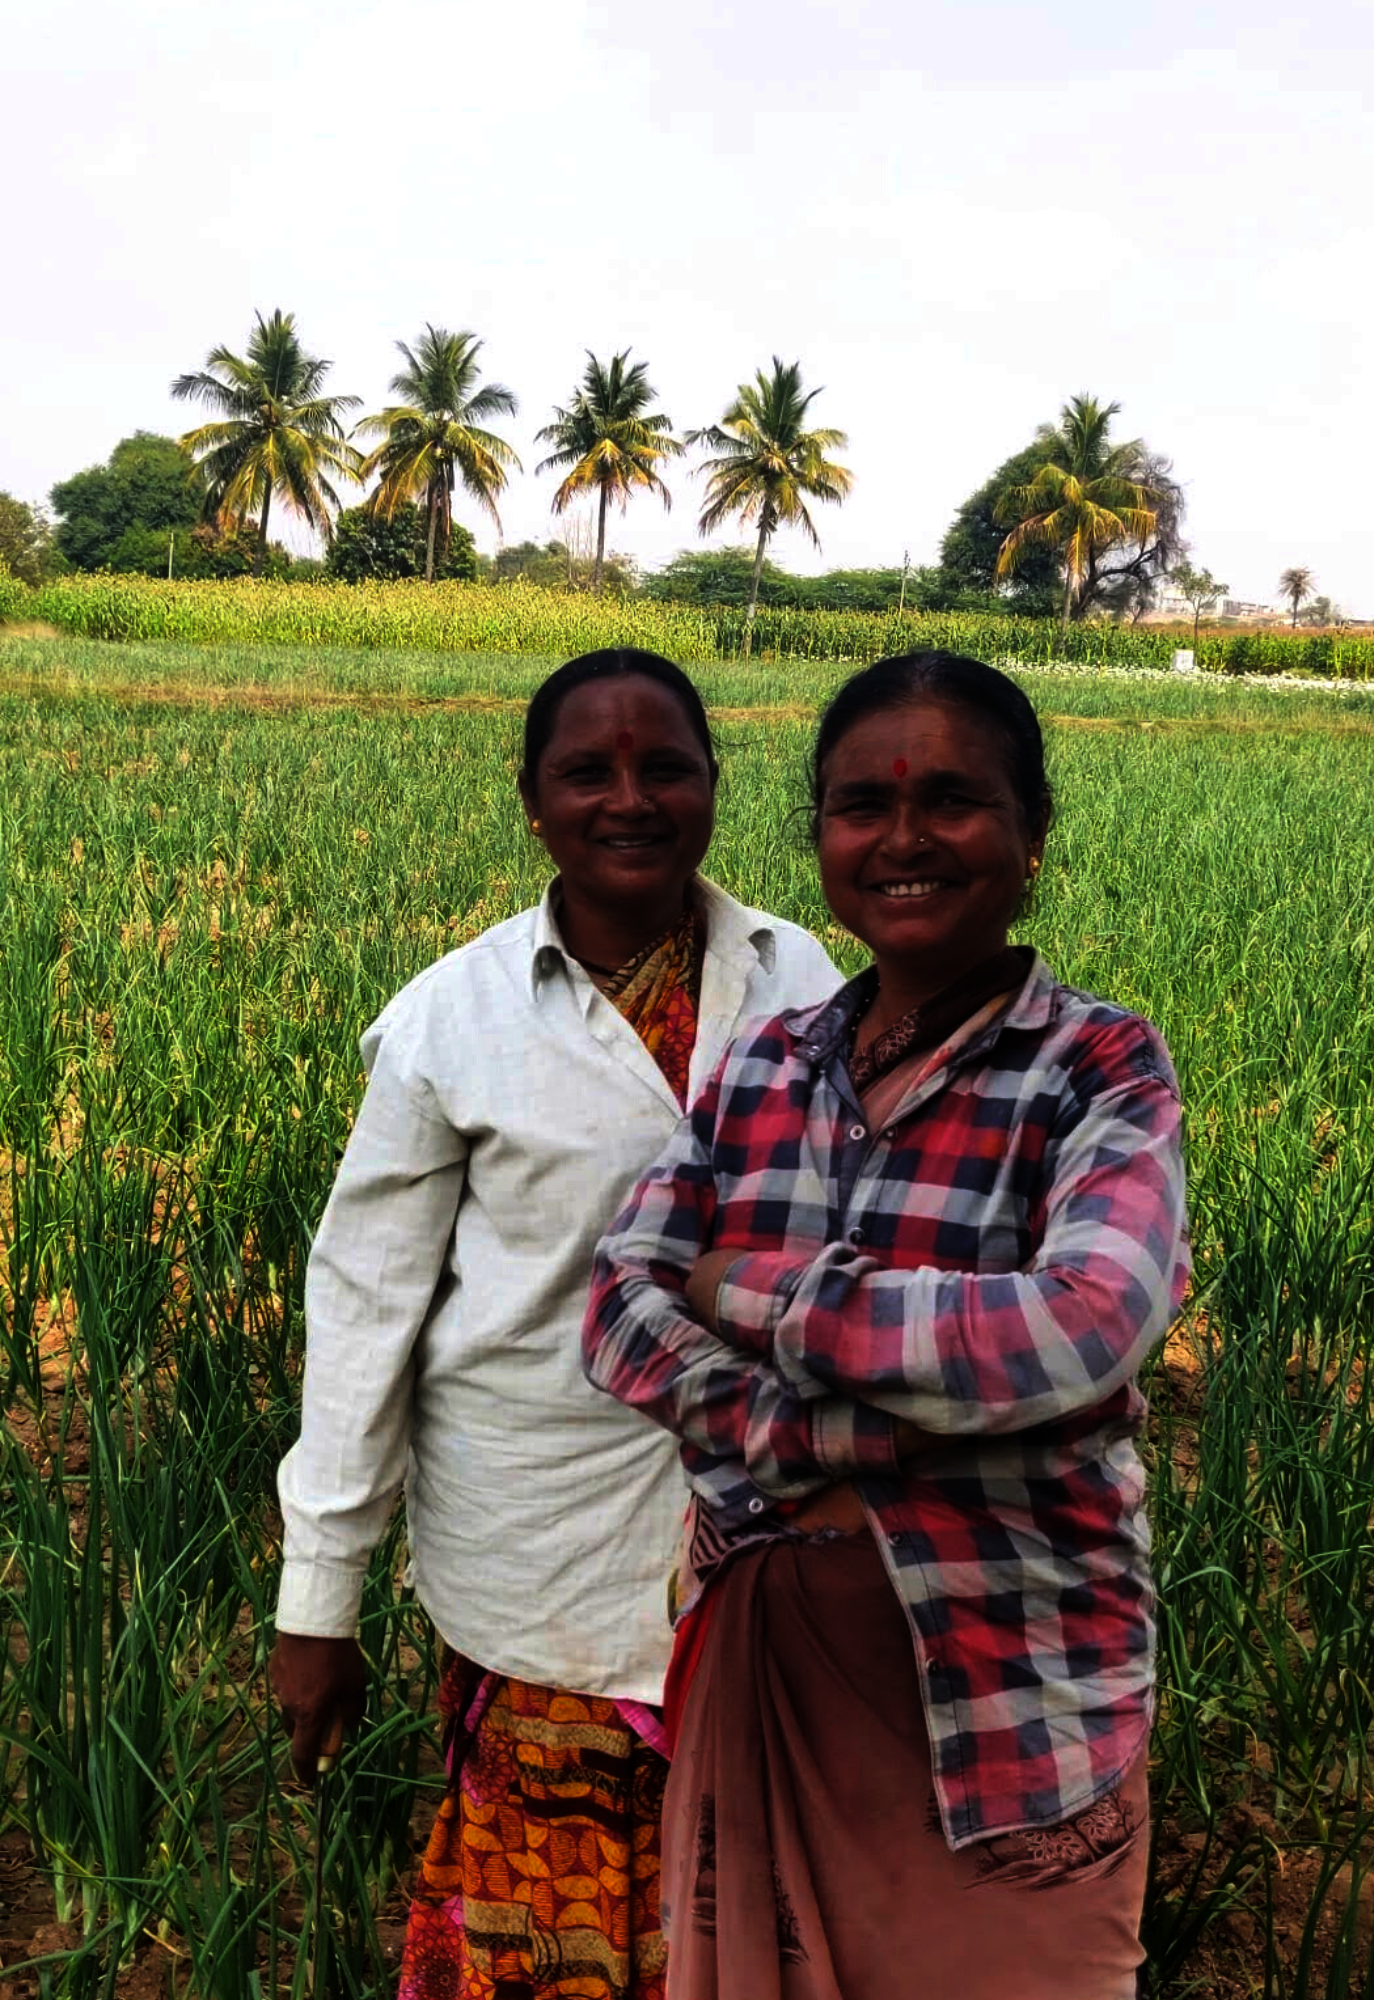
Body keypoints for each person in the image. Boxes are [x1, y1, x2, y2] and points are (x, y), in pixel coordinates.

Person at [583, 650, 1190, 2000]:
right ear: (818, 839)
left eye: (954, 801)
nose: (903, 838)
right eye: (860, 804)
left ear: (1029, 836)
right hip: (766, 1648)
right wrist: (835, 1429)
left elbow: (1078, 1332)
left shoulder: (1095, 1066)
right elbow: (618, 1308)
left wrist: (750, 1296)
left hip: (1009, 1694)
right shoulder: (764, 1063)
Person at [270, 647, 840, 2000]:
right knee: (543, 1933)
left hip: (768, 1541)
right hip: (535, 1547)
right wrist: (317, 1601)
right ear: (532, 800)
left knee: (751, 1915)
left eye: (667, 768)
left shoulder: (800, 979)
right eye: (588, 771)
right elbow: (364, 1309)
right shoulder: (448, 1022)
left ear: (713, 785)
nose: (629, 799)